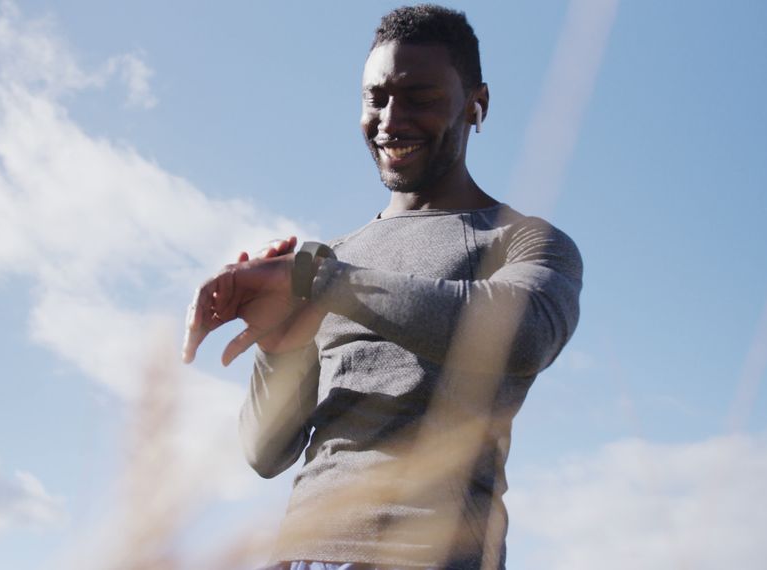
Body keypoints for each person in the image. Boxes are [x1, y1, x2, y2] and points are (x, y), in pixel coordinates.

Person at [182, 5, 582, 569]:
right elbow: (266, 454)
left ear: (477, 104)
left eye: (419, 97)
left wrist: (324, 282)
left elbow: (522, 335)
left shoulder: (523, 240)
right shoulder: (335, 259)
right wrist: (277, 346)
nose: (391, 121)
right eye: (376, 98)